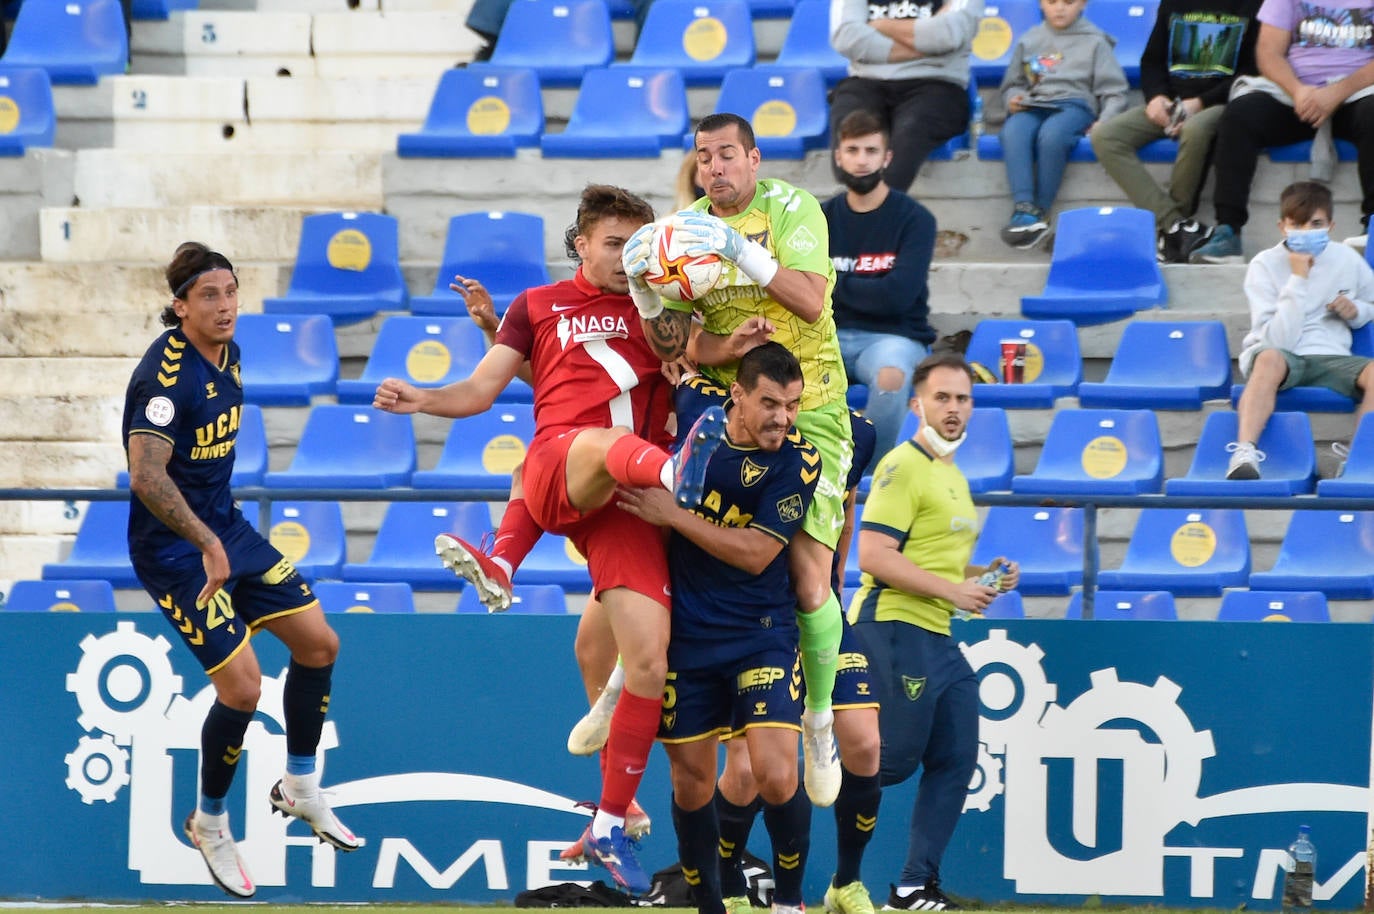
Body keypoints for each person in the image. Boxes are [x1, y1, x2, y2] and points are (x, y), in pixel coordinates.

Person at [373, 184, 714, 895]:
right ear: (581, 243)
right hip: (570, 463)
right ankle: (507, 554)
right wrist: (423, 399)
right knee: (594, 440)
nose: (628, 258)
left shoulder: (661, 312)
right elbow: (480, 390)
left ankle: (613, 820)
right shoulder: (537, 306)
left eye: (639, 245)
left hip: (631, 504)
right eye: (616, 243)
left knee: (641, 661)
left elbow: (678, 368)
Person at [628, 112, 854, 808]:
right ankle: (627, 694)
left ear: (754, 160)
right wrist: (645, 290)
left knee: (811, 583)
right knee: (670, 552)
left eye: (727, 155)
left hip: (807, 409)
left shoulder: (791, 209)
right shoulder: (684, 231)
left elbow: (812, 304)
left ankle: (818, 718)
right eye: (703, 158)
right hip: (725, 417)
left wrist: (739, 250)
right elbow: (679, 347)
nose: (714, 168)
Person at [123, 242, 362, 899]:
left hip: (226, 529)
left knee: (320, 643)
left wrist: (219, 534)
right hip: (175, 550)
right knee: (243, 689)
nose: (226, 305)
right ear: (180, 308)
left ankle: (300, 785)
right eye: (209, 296)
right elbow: (146, 476)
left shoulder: (229, 352)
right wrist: (204, 541)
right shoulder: (163, 378)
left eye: (231, 291)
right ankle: (210, 821)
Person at [615, 342, 819, 914]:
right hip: (689, 636)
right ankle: (710, 905)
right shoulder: (699, 405)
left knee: (777, 776)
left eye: (794, 404)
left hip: (762, 630)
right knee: (692, 784)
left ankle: (790, 904)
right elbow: (674, 354)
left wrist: (675, 516)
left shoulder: (798, 460)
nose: (783, 418)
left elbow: (756, 554)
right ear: (738, 395)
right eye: (771, 403)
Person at [848, 352, 1021, 911]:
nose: (953, 408)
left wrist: (981, 576)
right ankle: (768, 788)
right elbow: (873, 555)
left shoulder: (950, 473)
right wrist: (954, 591)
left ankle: (913, 885)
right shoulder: (903, 466)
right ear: (918, 404)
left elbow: (935, 564)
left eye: (962, 398)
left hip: (937, 634)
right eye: (942, 398)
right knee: (890, 763)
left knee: (956, 755)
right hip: (894, 626)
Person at [1187, 0, 1374, 263]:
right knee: (1240, 114)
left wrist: (1337, 92)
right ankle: (1228, 232)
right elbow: (1268, 53)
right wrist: (1299, 92)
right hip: (1296, 93)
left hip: (1358, 93)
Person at [1089, 0, 1261, 262]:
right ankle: (1176, 225)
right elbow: (1152, 60)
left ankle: (1172, 234)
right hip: (1173, 102)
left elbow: (1253, 69)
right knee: (1105, 137)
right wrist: (1156, 97)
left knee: (1195, 129)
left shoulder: (1253, 5)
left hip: (1223, 102)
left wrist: (1200, 103)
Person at [1226, 181, 1374, 479]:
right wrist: (1298, 279)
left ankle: (1359, 456)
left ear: (1331, 225)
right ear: (1283, 226)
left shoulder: (1347, 260)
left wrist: (1356, 310)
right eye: (1297, 224)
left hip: (1330, 356)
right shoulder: (1264, 264)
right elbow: (1278, 339)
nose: (1307, 231)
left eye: (1316, 223)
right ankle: (1245, 453)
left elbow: (1371, 302)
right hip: (1280, 354)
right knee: (1268, 358)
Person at [823, 110, 938, 474]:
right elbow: (806, 288)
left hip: (894, 338)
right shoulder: (819, 217)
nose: (861, 160)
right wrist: (866, 290)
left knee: (891, 377)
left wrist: (834, 284)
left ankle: (869, 480)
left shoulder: (915, 219)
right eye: (852, 150)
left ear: (887, 158)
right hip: (829, 335)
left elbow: (898, 296)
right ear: (838, 156)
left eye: (871, 150)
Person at [997, 0, 1129, 249]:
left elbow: (1115, 91)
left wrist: (1106, 120)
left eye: (1068, 2)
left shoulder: (1095, 42)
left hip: (1075, 106)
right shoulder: (1030, 39)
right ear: (1041, 4)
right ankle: (1024, 208)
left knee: (1053, 135)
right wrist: (1011, 99)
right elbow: (1013, 83)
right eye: (1052, 1)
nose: (1060, 8)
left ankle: (1042, 209)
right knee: (1013, 131)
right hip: (1034, 104)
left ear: (1082, 4)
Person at [828, 0, 985, 192]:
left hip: (937, 83)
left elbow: (947, 35)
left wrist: (881, 25)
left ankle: (878, 208)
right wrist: (926, 46)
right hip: (866, 82)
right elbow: (846, 37)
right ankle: (853, 202)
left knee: (911, 128)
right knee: (850, 121)